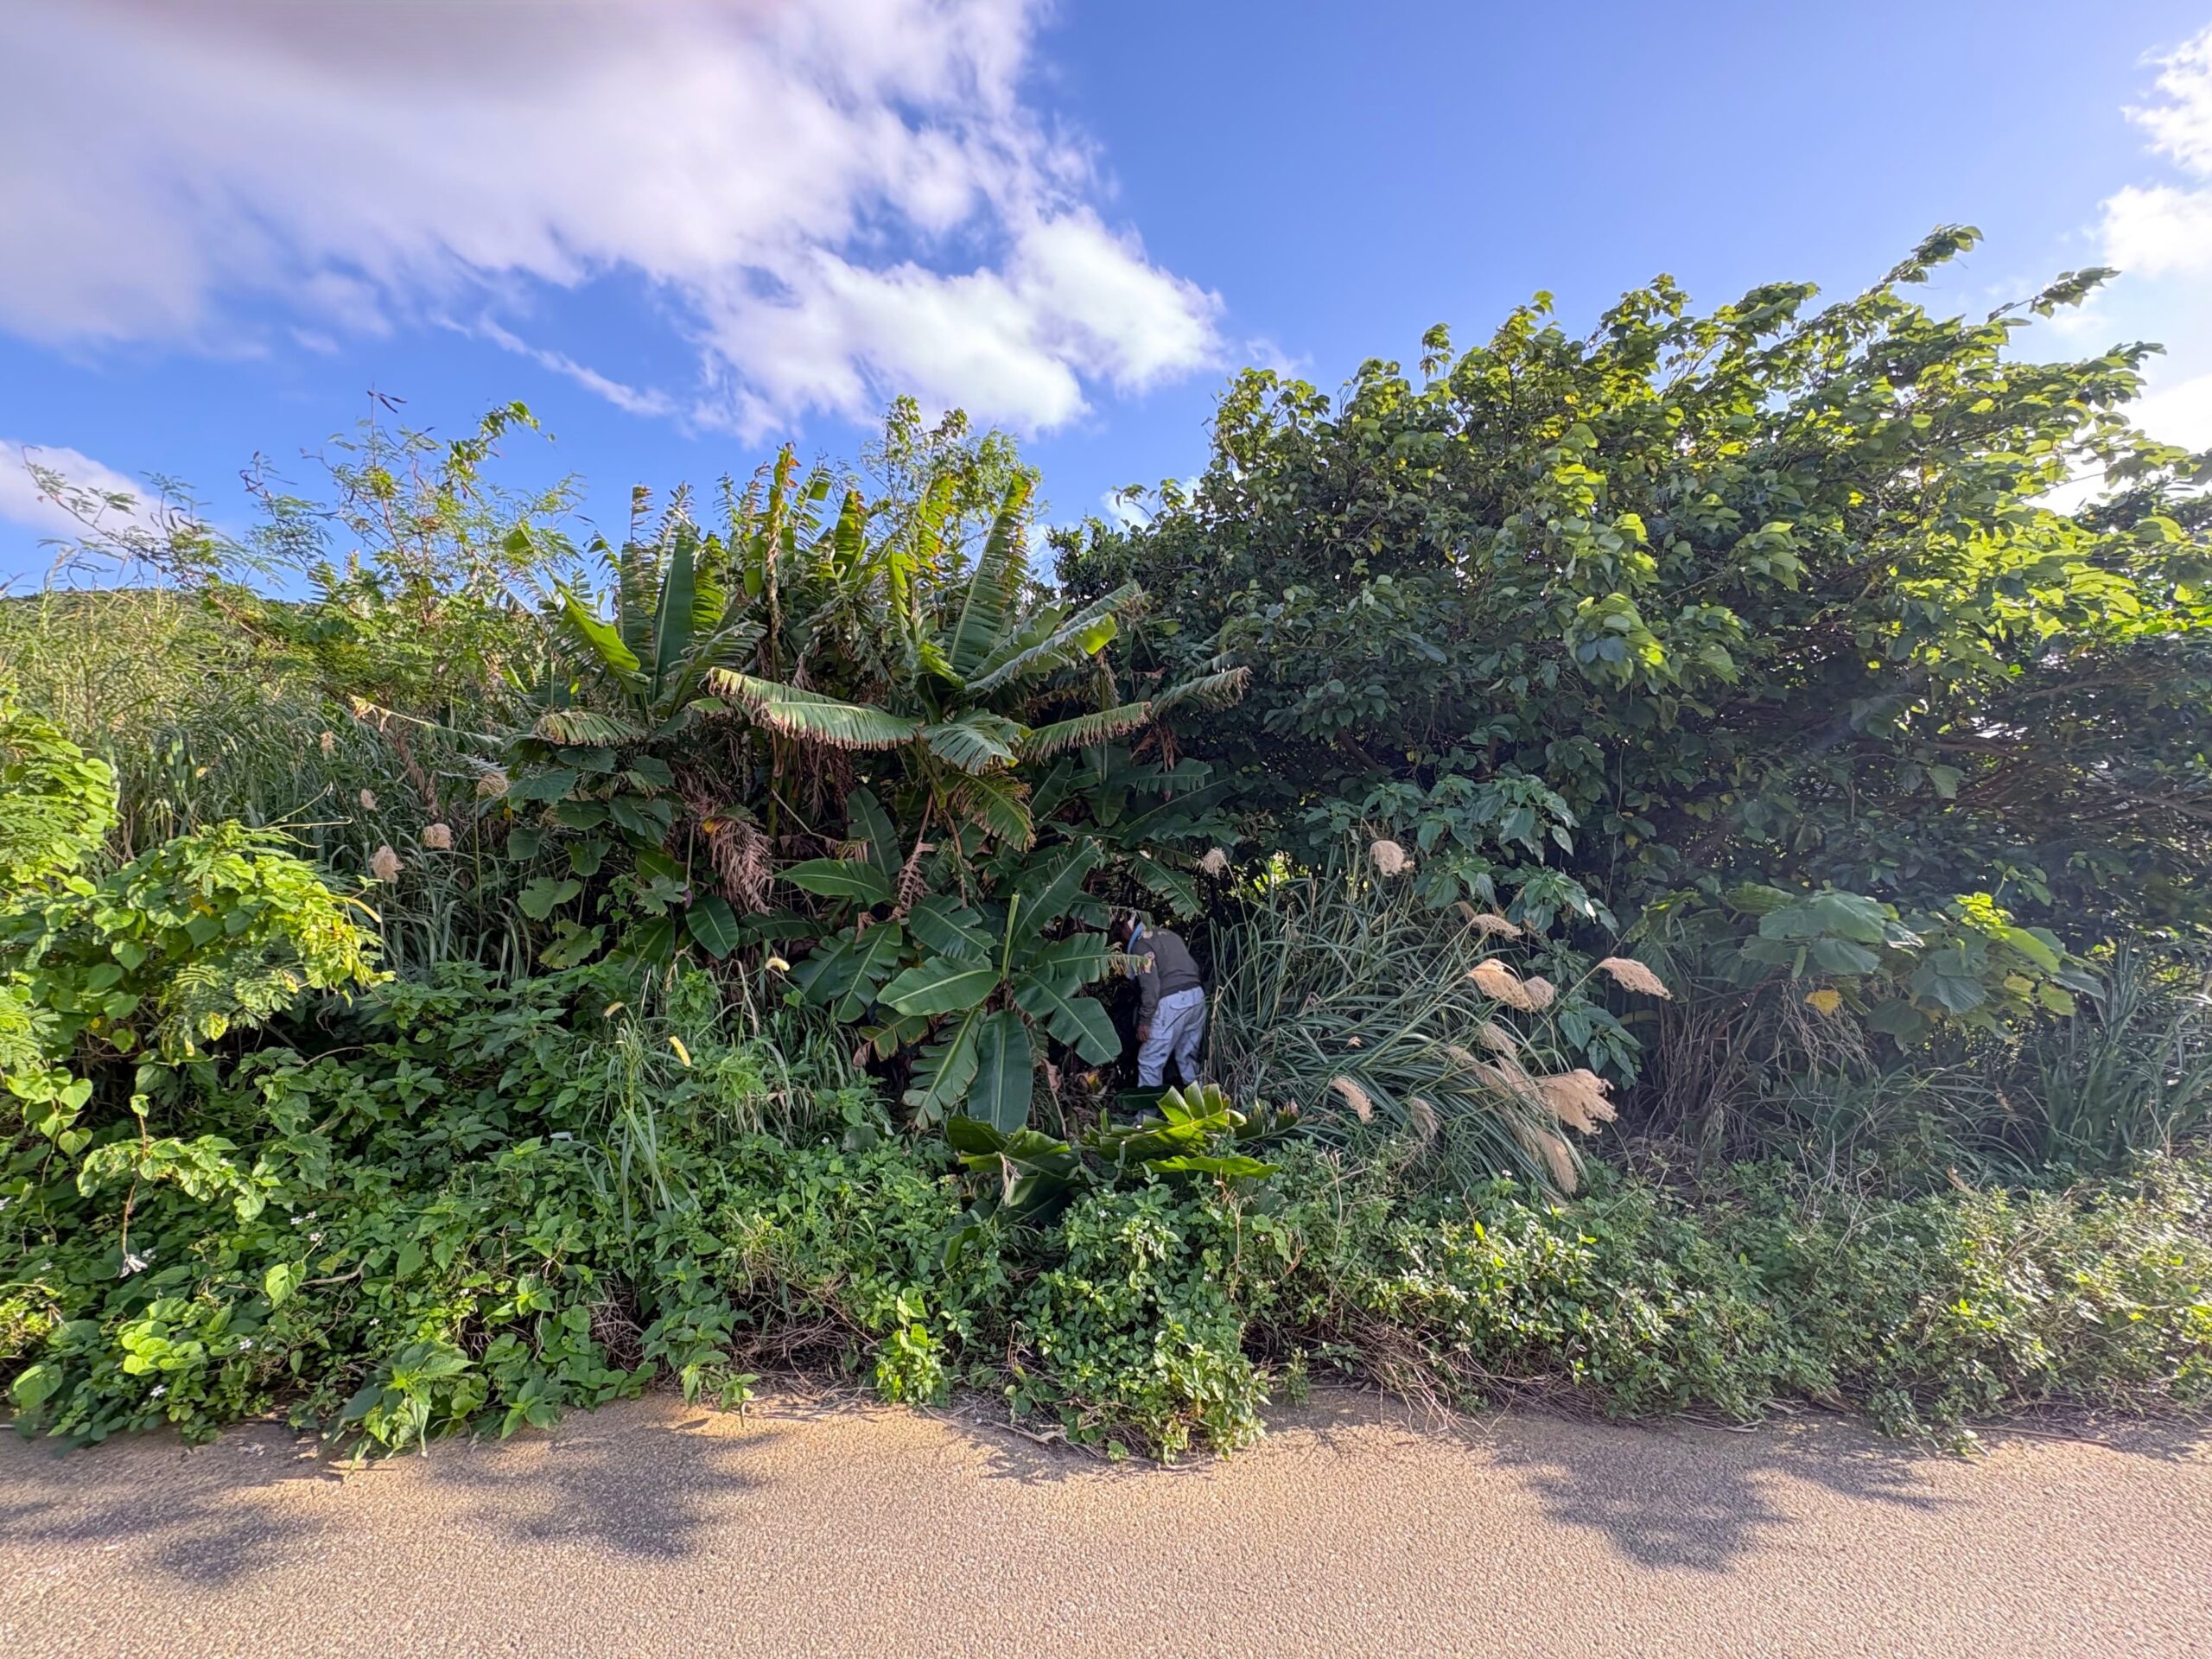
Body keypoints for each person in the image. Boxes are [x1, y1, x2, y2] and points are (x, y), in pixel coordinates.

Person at [1109, 910, 1205, 1088]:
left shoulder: (1141, 946)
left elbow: (1151, 987)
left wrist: (1145, 1021)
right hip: (1197, 997)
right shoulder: (1169, 935)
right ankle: (1203, 1107)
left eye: (1121, 927)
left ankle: (1147, 1114)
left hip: (1172, 1002)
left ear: (1130, 927)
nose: (1121, 934)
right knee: (1187, 1057)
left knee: (1150, 1061)